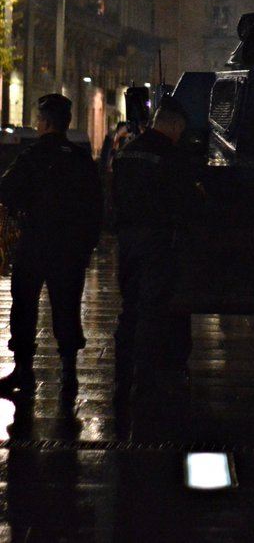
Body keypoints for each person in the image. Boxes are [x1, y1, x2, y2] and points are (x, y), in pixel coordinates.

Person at [0, 94, 103, 396]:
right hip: (70, 250)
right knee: (67, 308)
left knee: (24, 307)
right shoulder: (81, 159)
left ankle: (23, 371)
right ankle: (68, 373)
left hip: (34, 245)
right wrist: (86, 247)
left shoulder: (31, 156)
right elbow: (96, 207)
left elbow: (6, 191)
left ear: (44, 123)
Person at [111, 95, 201, 396]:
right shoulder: (173, 157)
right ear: (174, 125)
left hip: (128, 240)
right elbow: (185, 202)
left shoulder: (126, 152)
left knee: (129, 308)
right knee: (152, 308)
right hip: (158, 241)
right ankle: (144, 377)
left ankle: (121, 371)